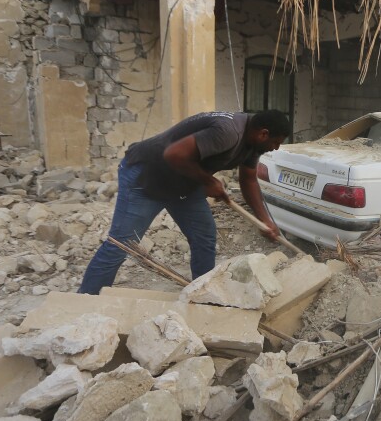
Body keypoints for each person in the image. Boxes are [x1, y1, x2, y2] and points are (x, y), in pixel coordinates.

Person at [78, 110, 289, 294]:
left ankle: (202, 295)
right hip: (146, 175)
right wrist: (209, 180)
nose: (276, 148)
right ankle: (85, 301)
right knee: (122, 244)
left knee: (204, 238)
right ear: (264, 134)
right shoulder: (228, 132)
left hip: (184, 181)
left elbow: (248, 179)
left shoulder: (254, 144)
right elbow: (174, 153)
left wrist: (265, 221)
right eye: (276, 143)